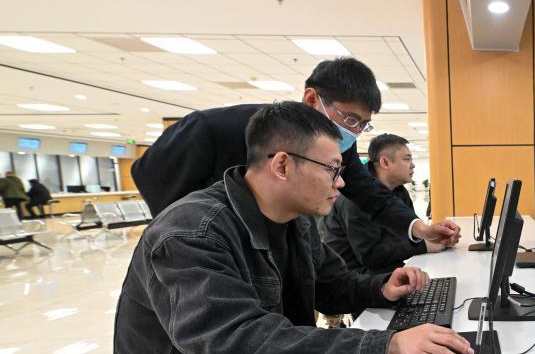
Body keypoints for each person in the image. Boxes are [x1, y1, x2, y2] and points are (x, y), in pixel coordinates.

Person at [108, 102, 473, 354]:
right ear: (282, 165)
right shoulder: (191, 233)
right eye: (332, 169)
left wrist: (381, 287)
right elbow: (235, 343)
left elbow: (331, 285)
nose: (341, 184)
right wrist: (386, 347)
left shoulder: (294, 221)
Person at [130, 57, 460, 247]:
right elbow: (152, 176)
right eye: (350, 119)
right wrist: (193, 235)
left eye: (363, 124)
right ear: (311, 99)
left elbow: (369, 194)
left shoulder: (335, 146)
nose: (354, 131)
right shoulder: (214, 129)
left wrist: (419, 228)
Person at [324, 134, 442, 274]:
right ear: (385, 162)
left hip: (387, 269)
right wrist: (423, 246)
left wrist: (428, 235)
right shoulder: (356, 198)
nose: (413, 165)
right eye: (407, 159)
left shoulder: (399, 191)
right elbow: (372, 256)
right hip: (355, 277)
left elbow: (407, 234)